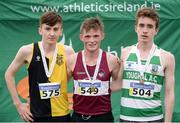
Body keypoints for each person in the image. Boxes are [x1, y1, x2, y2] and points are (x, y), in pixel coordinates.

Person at [5, 11, 74, 122]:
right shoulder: (27, 50)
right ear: (40, 30)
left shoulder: (68, 51)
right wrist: (18, 104)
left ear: (61, 31)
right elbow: (9, 74)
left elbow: (71, 75)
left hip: (62, 113)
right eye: (47, 29)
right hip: (36, 115)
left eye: (55, 29)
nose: (51, 33)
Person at [118, 7, 175, 122]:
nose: (145, 30)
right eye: (141, 25)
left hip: (154, 119)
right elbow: (117, 84)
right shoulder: (125, 52)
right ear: (136, 28)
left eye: (150, 26)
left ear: (156, 30)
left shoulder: (167, 57)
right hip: (126, 118)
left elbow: (169, 93)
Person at [67, 16, 121, 122]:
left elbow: (118, 84)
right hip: (79, 117)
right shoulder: (72, 60)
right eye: (87, 36)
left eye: (96, 36)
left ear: (102, 36)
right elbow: (62, 84)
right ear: (81, 37)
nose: (92, 40)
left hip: (103, 117)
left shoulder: (112, 60)